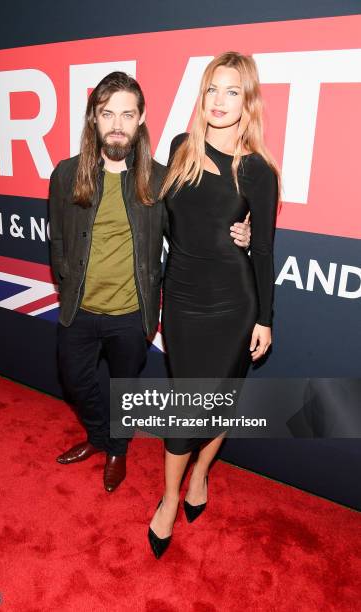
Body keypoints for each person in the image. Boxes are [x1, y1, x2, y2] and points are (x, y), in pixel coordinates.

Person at [48, 71, 251, 493]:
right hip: (78, 310)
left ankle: (117, 449)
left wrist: (240, 237)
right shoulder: (66, 175)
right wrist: (67, 278)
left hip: (131, 313)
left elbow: (194, 232)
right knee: (76, 381)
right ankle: (99, 437)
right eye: (108, 114)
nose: (117, 124)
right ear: (94, 119)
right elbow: (58, 238)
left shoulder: (160, 179)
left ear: (141, 119)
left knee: (125, 390)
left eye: (127, 114)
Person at [147, 52, 280, 558]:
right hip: (180, 298)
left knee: (219, 400)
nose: (219, 102)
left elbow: (264, 250)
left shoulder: (258, 171)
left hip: (232, 303)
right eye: (211, 90)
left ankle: (200, 475)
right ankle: (167, 500)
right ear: (200, 97)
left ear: (248, 103)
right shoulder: (182, 148)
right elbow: (164, 217)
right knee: (184, 408)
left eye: (232, 92)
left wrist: (266, 317)